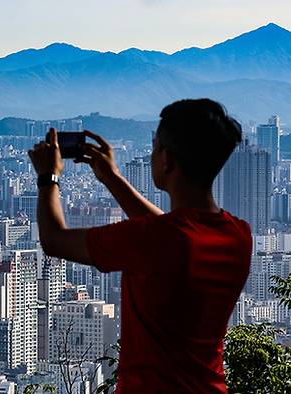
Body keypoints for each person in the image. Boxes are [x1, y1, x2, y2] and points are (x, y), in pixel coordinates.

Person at [28, 98, 252, 393]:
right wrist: (112, 178)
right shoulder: (239, 236)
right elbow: (172, 233)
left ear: (167, 160)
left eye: (154, 147)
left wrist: (48, 177)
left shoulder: (154, 239)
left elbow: (54, 240)